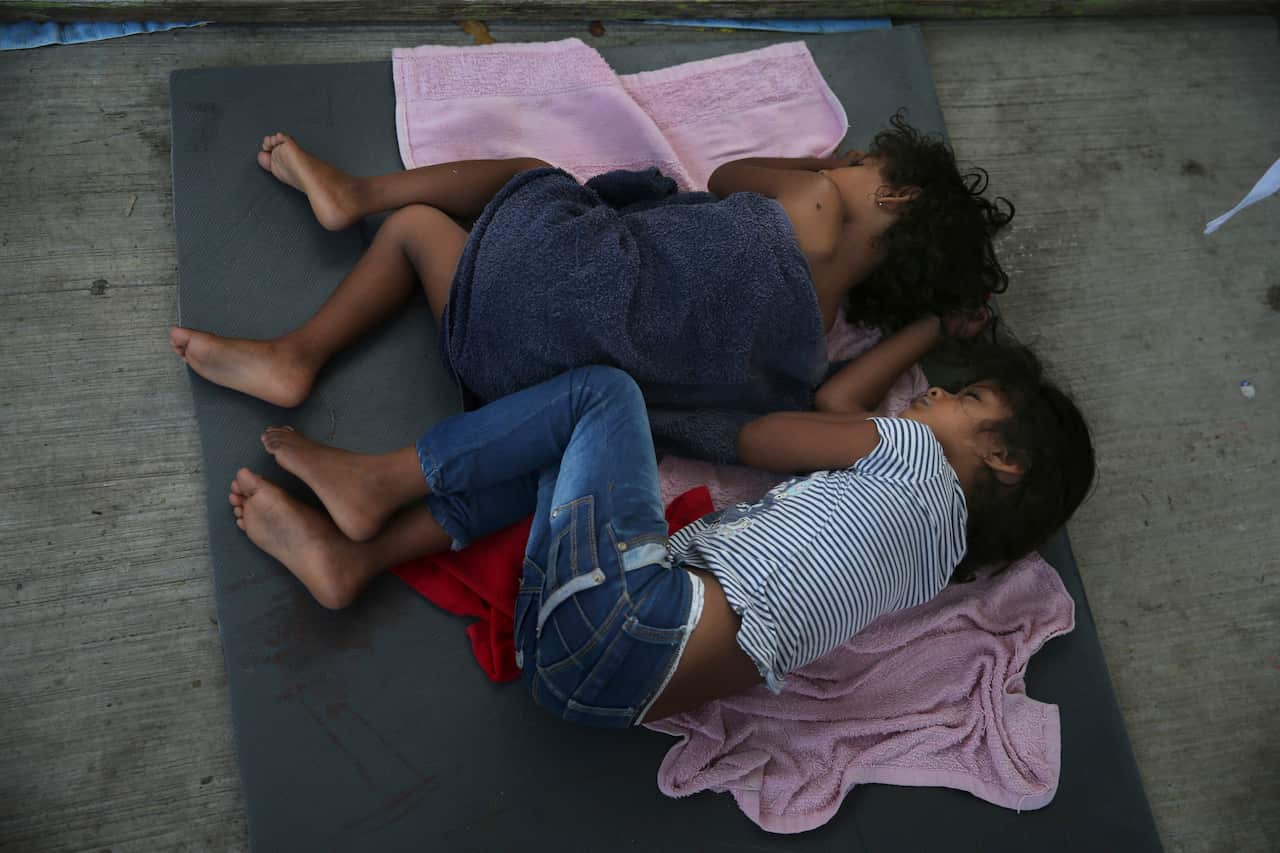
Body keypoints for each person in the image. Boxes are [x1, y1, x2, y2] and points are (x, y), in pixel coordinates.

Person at [226, 315, 1094, 727]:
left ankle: (377, 484)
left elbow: (779, 429)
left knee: (603, 396)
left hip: (627, 616)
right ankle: (353, 559)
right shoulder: (930, 566)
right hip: (586, 688)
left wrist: (922, 334)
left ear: (1003, 458)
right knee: (565, 462)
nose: (936, 393)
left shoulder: (910, 452)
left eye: (966, 397)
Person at [169, 116, 1011, 461]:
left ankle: (353, 211)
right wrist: (931, 327)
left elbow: (724, 174)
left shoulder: (817, 199)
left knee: (527, 179)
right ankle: (294, 357)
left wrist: (827, 165)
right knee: (431, 244)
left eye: (866, 161)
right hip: (525, 386)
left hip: (548, 289)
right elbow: (840, 405)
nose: (845, 162)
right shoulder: (812, 332)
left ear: (888, 193)